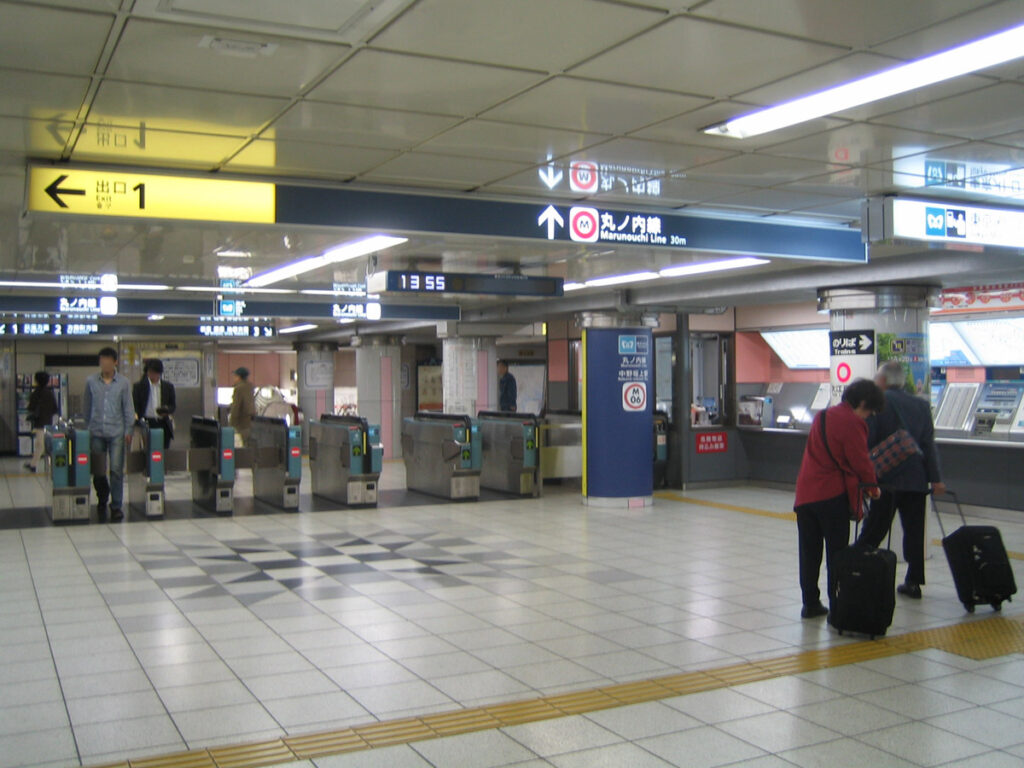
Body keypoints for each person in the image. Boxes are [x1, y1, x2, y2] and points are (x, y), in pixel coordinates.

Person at [794, 379, 885, 619]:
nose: (868, 417)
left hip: (805, 494)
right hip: (831, 496)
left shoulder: (822, 416)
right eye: (870, 411)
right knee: (837, 554)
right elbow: (860, 460)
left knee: (809, 552)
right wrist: (873, 489)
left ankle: (810, 603)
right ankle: (837, 604)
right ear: (863, 403)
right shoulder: (853, 422)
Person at [856, 361, 946, 599]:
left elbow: (867, 440)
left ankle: (856, 570)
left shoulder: (878, 404)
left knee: (875, 529)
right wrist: (936, 479)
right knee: (915, 532)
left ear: (882, 380)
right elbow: (928, 444)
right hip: (916, 479)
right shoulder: (921, 405)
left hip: (885, 479)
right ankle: (914, 582)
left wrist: (862, 475)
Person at [83, 347, 134, 521]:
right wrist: (87, 427)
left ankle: (116, 505)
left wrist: (129, 429)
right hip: (96, 431)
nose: (104, 364)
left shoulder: (123, 383)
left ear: (115, 362)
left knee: (116, 470)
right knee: (98, 471)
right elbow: (86, 407)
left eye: (107, 361)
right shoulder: (91, 381)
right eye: (102, 361)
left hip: (117, 432)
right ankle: (103, 495)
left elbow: (128, 408)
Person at [132, 359, 177, 449]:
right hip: (146, 422)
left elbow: (173, 405)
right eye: (150, 372)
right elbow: (135, 405)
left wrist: (167, 410)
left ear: (159, 373)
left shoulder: (168, 387)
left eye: (154, 372)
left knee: (163, 449)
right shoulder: (139, 386)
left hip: (163, 422)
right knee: (148, 449)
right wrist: (137, 419)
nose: (152, 375)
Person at [24, 371, 58, 473]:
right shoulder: (50, 393)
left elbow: (30, 408)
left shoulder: (36, 393)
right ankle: (34, 463)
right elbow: (55, 408)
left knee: (40, 445)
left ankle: (33, 465)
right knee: (43, 444)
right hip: (48, 422)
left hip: (39, 423)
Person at [229, 367, 255, 446]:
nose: (234, 378)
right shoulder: (250, 387)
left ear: (239, 377)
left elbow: (236, 407)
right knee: (247, 444)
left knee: (239, 446)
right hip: (249, 422)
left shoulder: (239, 388)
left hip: (240, 423)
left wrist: (231, 425)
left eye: (235, 376)